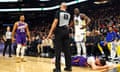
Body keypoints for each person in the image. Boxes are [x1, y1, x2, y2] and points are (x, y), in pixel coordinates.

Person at [47, 2, 72, 72]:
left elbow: (55, 22)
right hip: (66, 32)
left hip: (59, 31)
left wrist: (50, 33)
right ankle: (68, 67)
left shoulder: (58, 12)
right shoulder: (68, 14)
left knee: (58, 50)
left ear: (61, 6)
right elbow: (68, 24)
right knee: (67, 50)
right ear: (66, 7)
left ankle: (58, 68)